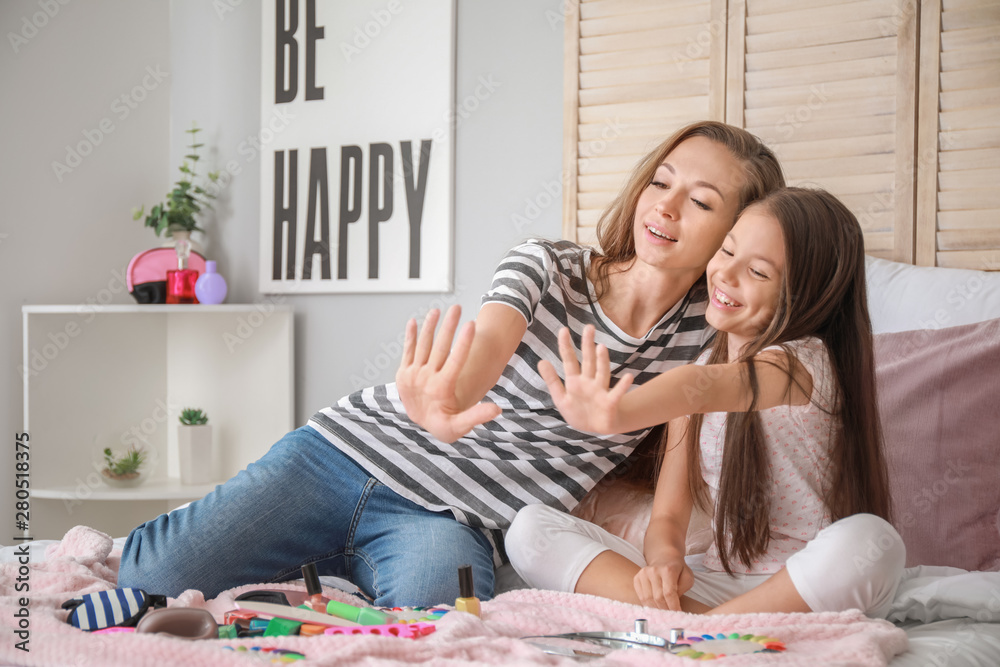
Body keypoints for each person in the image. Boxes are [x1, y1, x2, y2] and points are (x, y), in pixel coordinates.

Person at [116, 121, 784, 606]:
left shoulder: (706, 339)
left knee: (437, 629)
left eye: (699, 201)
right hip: (343, 453)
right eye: (661, 181)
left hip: (453, 522)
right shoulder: (548, 264)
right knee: (148, 578)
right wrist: (445, 397)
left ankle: (334, 576)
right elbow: (486, 348)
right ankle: (324, 565)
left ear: (733, 233)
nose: (665, 206)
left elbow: (679, 473)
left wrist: (664, 562)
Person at [505, 187, 905, 617]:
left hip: (804, 586)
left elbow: (709, 384)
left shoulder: (806, 365)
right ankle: (700, 624)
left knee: (872, 541)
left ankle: (692, 629)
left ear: (808, 295)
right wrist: (665, 563)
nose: (725, 275)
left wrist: (617, 411)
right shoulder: (701, 364)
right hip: (720, 585)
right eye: (726, 251)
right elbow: (669, 517)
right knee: (530, 528)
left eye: (757, 272)